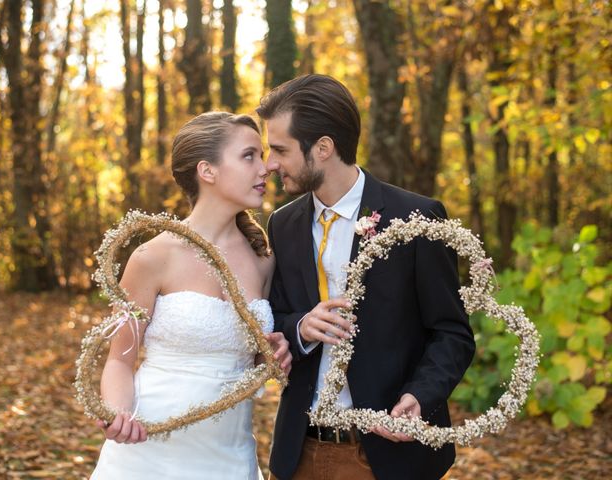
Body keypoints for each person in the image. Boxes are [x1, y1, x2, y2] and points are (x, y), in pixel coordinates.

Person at [259, 74, 476, 480]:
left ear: (323, 148)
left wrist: (419, 396)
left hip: (389, 456)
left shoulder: (417, 218)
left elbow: (452, 333)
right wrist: (302, 327)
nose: (270, 164)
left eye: (280, 150)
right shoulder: (282, 224)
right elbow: (275, 317)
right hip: (299, 451)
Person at [90, 112, 292, 479]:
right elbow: (120, 360)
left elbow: (258, 356)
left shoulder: (264, 259)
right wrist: (118, 414)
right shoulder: (152, 257)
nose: (265, 168)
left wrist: (275, 352)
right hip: (147, 453)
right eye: (249, 156)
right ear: (207, 170)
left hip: (230, 458)